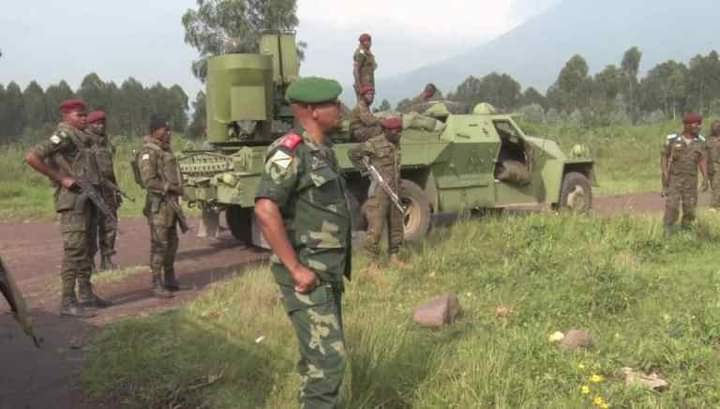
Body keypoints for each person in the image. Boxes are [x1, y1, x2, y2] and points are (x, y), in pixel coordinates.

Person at [255, 77, 351, 409]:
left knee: (319, 361)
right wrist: (295, 268)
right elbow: (265, 209)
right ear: (311, 110)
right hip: (306, 276)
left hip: (326, 274)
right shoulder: (290, 151)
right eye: (333, 103)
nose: (340, 109)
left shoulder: (323, 151)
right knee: (328, 363)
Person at [24, 99, 109, 317]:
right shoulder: (63, 136)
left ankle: (86, 294)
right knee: (74, 251)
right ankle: (68, 301)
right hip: (72, 202)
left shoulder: (83, 137)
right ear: (66, 116)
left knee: (88, 248)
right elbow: (32, 156)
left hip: (88, 199)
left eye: (85, 114)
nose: (84, 118)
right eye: (79, 115)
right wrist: (60, 178)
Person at [348, 117, 406, 270]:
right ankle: (372, 265)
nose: (398, 134)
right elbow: (353, 153)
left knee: (396, 225)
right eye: (395, 131)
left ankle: (394, 257)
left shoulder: (396, 143)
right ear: (386, 130)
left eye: (400, 130)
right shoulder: (373, 144)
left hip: (395, 191)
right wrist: (366, 171)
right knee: (376, 228)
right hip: (379, 191)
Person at [138, 116, 185, 298]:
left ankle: (169, 277)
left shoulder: (165, 150)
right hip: (158, 206)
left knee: (172, 243)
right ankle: (156, 283)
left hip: (171, 204)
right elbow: (148, 181)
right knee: (159, 244)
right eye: (165, 130)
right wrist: (171, 188)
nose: (168, 133)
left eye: (169, 130)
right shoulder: (149, 152)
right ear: (155, 131)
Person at [661, 112, 709, 232]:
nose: (699, 127)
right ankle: (668, 231)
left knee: (690, 207)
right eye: (696, 124)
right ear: (687, 125)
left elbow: (702, 159)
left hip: (691, 180)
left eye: (700, 124)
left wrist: (705, 178)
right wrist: (665, 173)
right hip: (674, 179)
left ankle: (687, 232)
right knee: (672, 206)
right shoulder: (672, 139)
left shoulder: (700, 141)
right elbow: (664, 157)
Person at [86, 110, 120, 271]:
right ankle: (90, 262)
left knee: (110, 223)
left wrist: (116, 189)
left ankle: (107, 259)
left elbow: (110, 169)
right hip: (92, 188)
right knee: (91, 225)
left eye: (102, 123)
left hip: (107, 188)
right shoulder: (84, 141)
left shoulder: (106, 143)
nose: (100, 126)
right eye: (96, 123)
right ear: (90, 124)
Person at [353, 33, 376, 98]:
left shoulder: (368, 52)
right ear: (362, 42)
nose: (369, 43)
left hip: (369, 83)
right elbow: (356, 70)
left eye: (369, 41)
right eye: (366, 41)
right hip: (363, 84)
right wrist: (359, 87)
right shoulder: (361, 52)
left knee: (368, 101)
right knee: (363, 101)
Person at [705, 120, 720, 209]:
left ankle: (714, 206)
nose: (716, 128)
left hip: (718, 165)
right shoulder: (708, 139)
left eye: (718, 126)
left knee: (717, 185)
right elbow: (704, 152)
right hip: (709, 166)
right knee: (713, 185)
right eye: (714, 126)